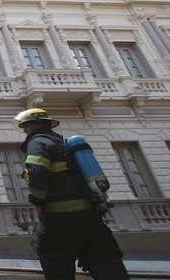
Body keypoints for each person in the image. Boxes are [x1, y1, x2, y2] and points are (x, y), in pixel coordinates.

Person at [13, 108, 129, 280]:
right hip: (90, 215)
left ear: (36, 124)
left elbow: (36, 172)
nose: (24, 130)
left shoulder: (38, 142)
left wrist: (37, 203)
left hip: (59, 217)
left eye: (26, 125)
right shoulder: (62, 142)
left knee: (54, 261)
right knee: (107, 265)